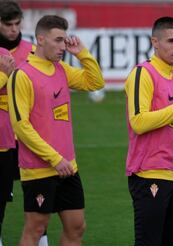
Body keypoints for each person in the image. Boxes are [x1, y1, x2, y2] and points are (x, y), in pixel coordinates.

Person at [7, 15, 104, 246]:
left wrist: (82, 53)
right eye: (58, 40)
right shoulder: (22, 75)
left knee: (77, 226)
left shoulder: (61, 69)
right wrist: (54, 158)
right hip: (40, 168)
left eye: (64, 40)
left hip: (68, 166)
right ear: (41, 39)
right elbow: (21, 126)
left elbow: (95, 83)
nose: (63, 46)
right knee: (36, 228)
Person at [124, 16, 173, 246]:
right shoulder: (142, 73)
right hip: (149, 174)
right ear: (154, 42)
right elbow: (138, 122)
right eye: (171, 41)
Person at [0, 2, 47, 245]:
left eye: (17, 24)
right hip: (2, 140)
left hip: (30, 138)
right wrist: (3, 75)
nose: (14, 30)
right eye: (8, 25)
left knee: (40, 201)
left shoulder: (31, 50)